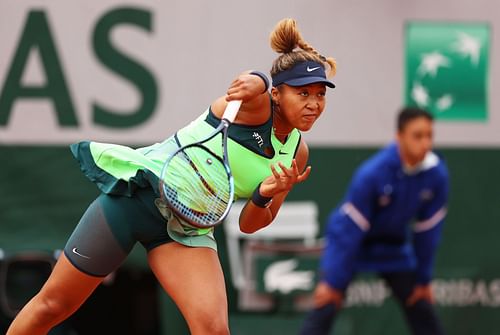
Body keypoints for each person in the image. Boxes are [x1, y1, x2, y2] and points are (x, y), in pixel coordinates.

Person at [7, 18, 336, 335]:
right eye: (302, 93)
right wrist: (261, 79)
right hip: (135, 200)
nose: (313, 104)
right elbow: (250, 82)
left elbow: (251, 223)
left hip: (187, 230)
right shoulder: (255, 107)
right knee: (52, 306)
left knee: (213, 329)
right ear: (278, 94)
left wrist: (265, 193)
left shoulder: (297, 152)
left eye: (320, 94)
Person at [300, 107, 449, 335]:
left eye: (429, 135)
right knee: (327, 301)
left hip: (393, 247)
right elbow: (349, 231)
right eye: (417, 136)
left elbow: (428, 231)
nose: (426, 143)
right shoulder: (372, 173)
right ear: (399, 137)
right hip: (352, 244)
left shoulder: (436, 174)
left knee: (420, 303)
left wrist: (423, 278)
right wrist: (333, 280)